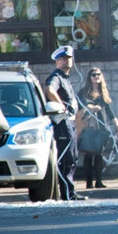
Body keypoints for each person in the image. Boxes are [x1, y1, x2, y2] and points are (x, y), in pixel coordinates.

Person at [45, 45, 85, 201]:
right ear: (57, 62)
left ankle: (71, 192)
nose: (66, 61)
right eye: (62, 59)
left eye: (68, 58)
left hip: (70, 123)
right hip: (62, 124)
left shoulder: (65, 78)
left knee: (73, 157)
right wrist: (60, 105)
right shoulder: (56, 76)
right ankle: (67, 194)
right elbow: (49, 90)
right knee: (66, 158)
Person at [77, 67, 118, 189]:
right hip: (89, 126)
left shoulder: (103, 92)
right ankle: (88, 182)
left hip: (102, 126)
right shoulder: (84, 92)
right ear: (89, 77)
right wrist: (91, 107)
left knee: (99, 154)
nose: (96, 77)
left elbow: (108, 110)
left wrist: (116, 123)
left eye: (98, 74)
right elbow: (79, 105)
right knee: (88, 154)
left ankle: (99, 181)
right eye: (93, 75)